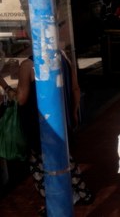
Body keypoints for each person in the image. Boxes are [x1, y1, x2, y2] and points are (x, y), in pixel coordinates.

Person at [8, 50, 93, 215]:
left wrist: (7, 89)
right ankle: (82, 192)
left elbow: (21, 98)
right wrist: (73, 113)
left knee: (39, 166)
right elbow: (75, 89)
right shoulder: (65, 57)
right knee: (64, 159)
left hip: (38, 126)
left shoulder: (27, 65)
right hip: (62, 121)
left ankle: (54, 202)